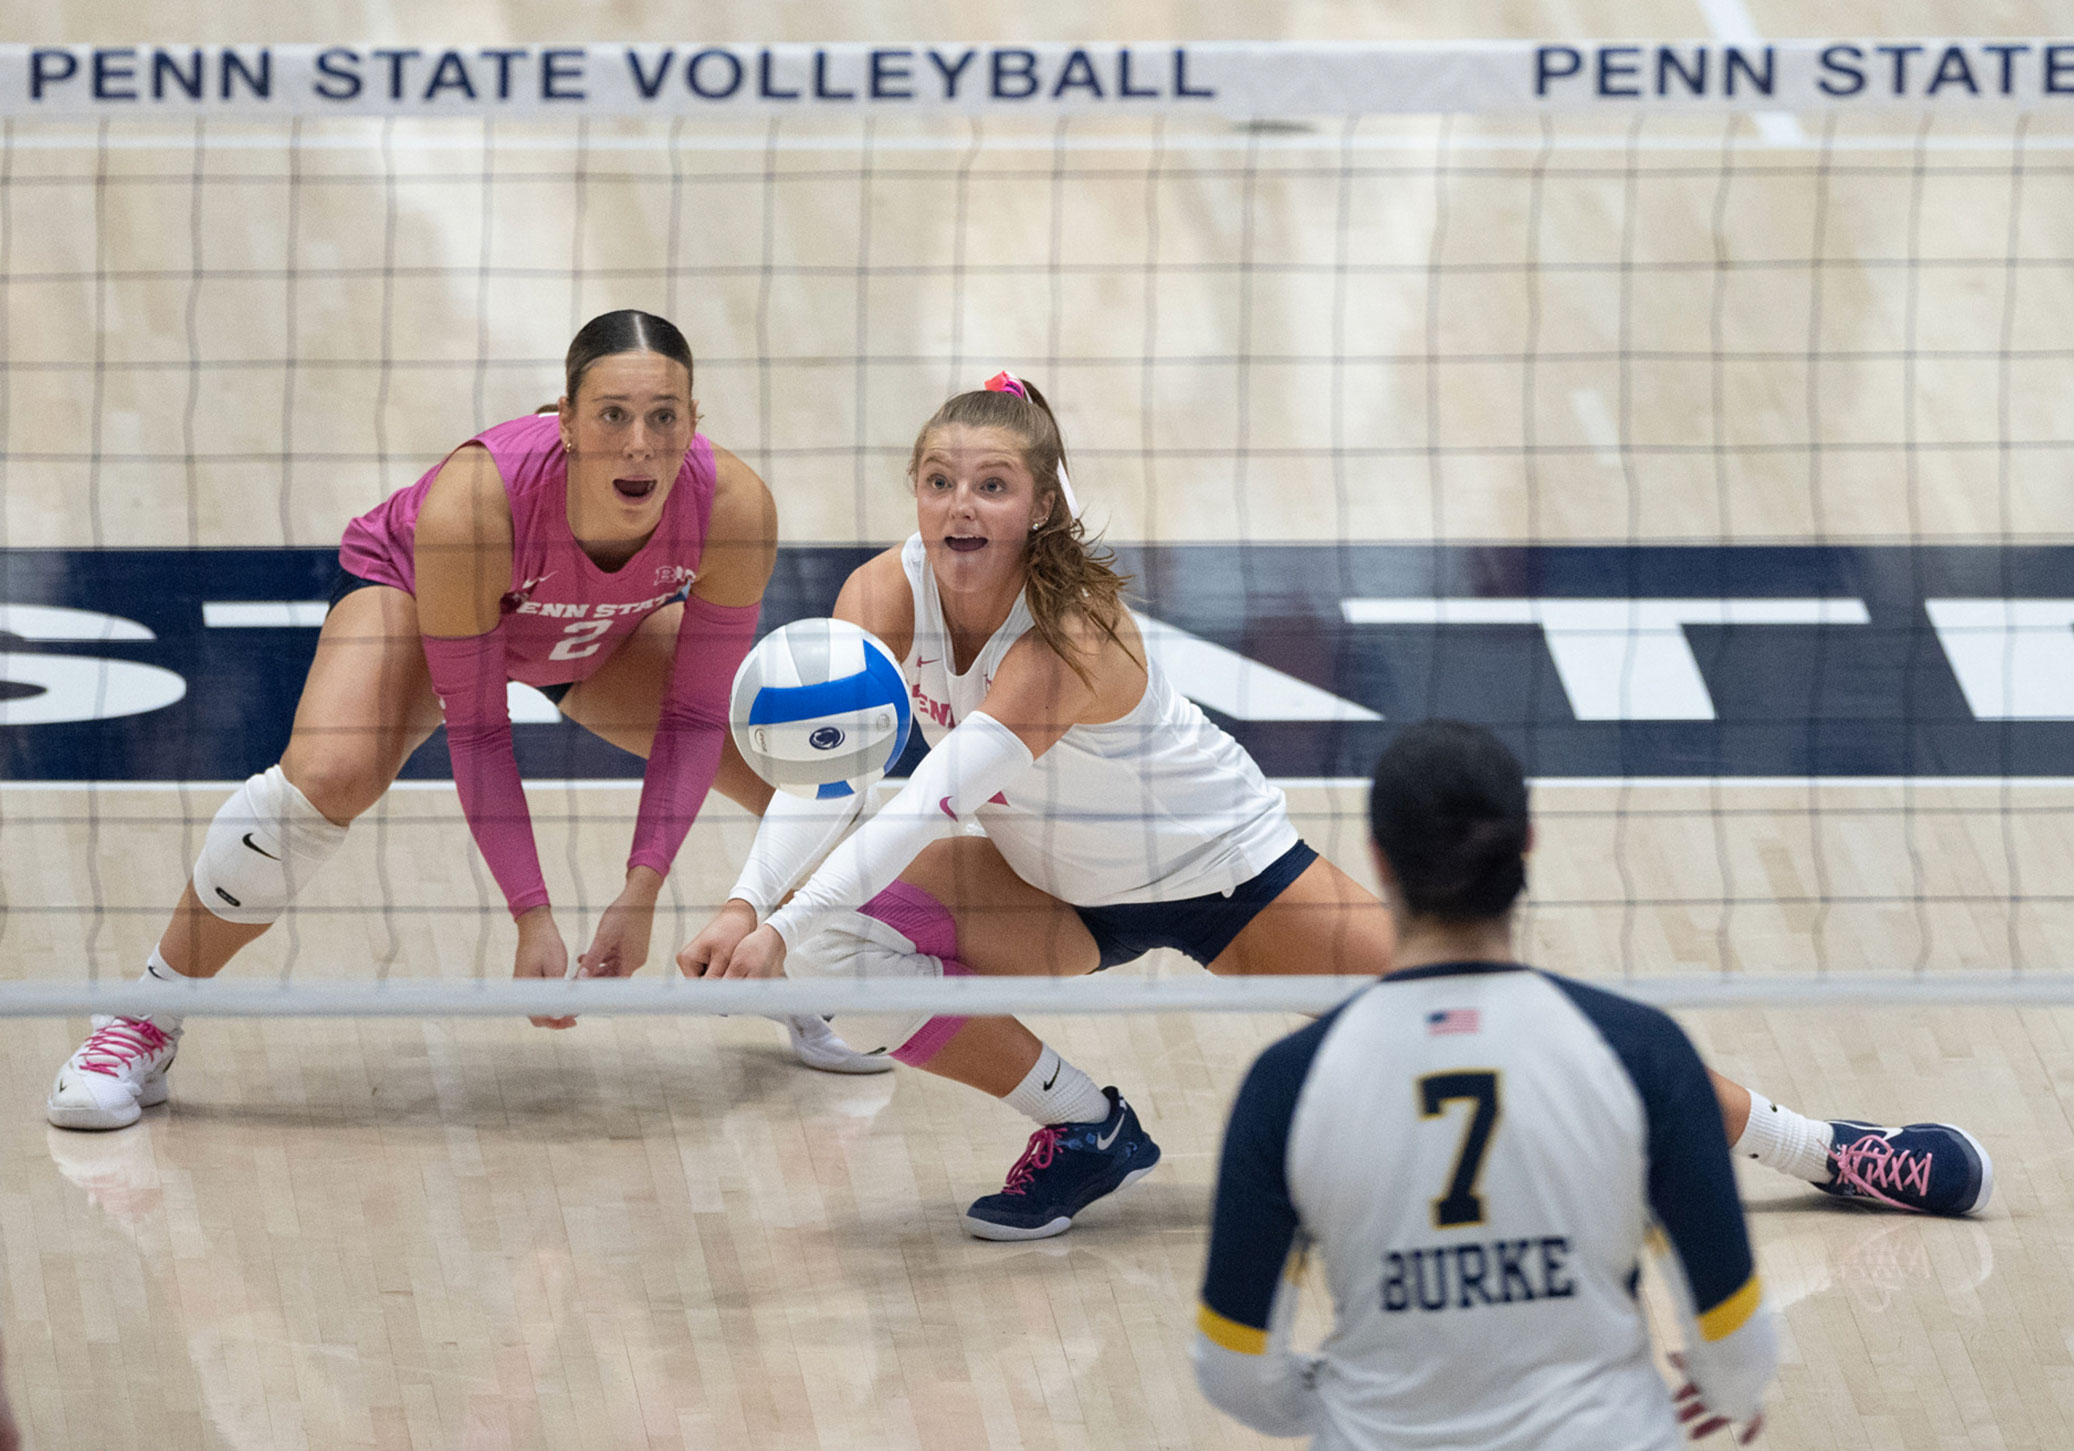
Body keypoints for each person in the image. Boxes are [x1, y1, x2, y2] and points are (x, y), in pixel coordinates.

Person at [682, 373, 1994, 1237]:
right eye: (938, 478)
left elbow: (924, 798)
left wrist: (777, 917)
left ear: (1037, 506)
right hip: (1053, 889)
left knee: (1526, 1033)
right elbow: (836, 776)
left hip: (1226, 870)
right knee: (838, 948)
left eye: (991, 483)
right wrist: (754, 902)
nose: (958, 503)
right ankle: (1088, 1126)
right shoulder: (881, 594)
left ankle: (1821, 1146)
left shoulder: (1072, 628)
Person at [49, 309, 881, 1133]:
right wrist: (531, 913)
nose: (638, 445)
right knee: (327, 778)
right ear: (565, 422)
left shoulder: (734, 505)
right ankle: (141, 1020)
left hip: (594, 631)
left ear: (694, 421)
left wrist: (642, 889)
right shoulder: (475, 504)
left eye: (664, 418)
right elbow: (479, 731)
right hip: (419, 598)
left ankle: (784, 962)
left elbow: (698, 717)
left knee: (790, 757)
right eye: (612, 416)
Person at [1193, 720, 1776, 1449]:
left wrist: (1350, 1406)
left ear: (1380, 860)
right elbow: (1737, 1338)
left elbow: (1233, 1367)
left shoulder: (1288, 1084)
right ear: (1527, 843)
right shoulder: (1642, 1053)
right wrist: (1731, 1388)